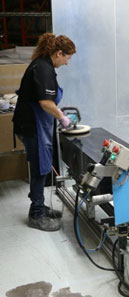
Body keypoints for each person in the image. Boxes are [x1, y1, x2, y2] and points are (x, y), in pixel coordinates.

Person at [13, 33, 76, 232]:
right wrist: (62, 118)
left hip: (34, 122)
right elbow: (45, 102)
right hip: (32, 125)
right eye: (67, 58)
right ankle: (37, 214)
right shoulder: (43, 69)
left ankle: (39, 205)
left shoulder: (42, 64)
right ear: (59, 53)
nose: (67, 63)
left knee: (42, 165)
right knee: (41, 167)